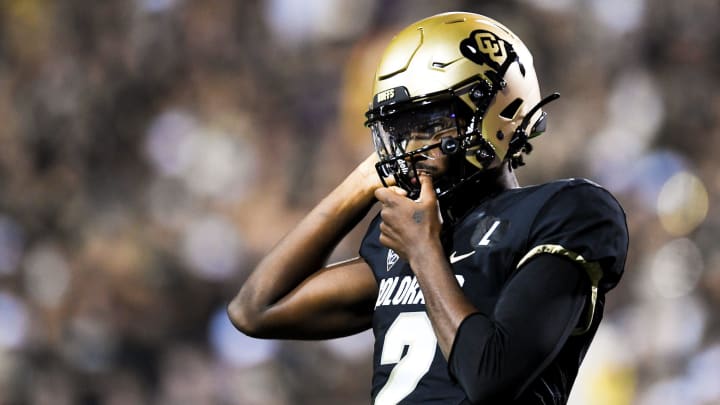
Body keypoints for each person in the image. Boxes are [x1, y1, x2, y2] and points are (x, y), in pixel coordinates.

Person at [228, 11, 628, 405]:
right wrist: (362, 182)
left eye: (434, 122)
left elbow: (492, 379)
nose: (414, 147)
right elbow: (256, 310)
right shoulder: (413, 233)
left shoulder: (565, 212)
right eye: (402, 131)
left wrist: (423, 250)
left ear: (501, 108)